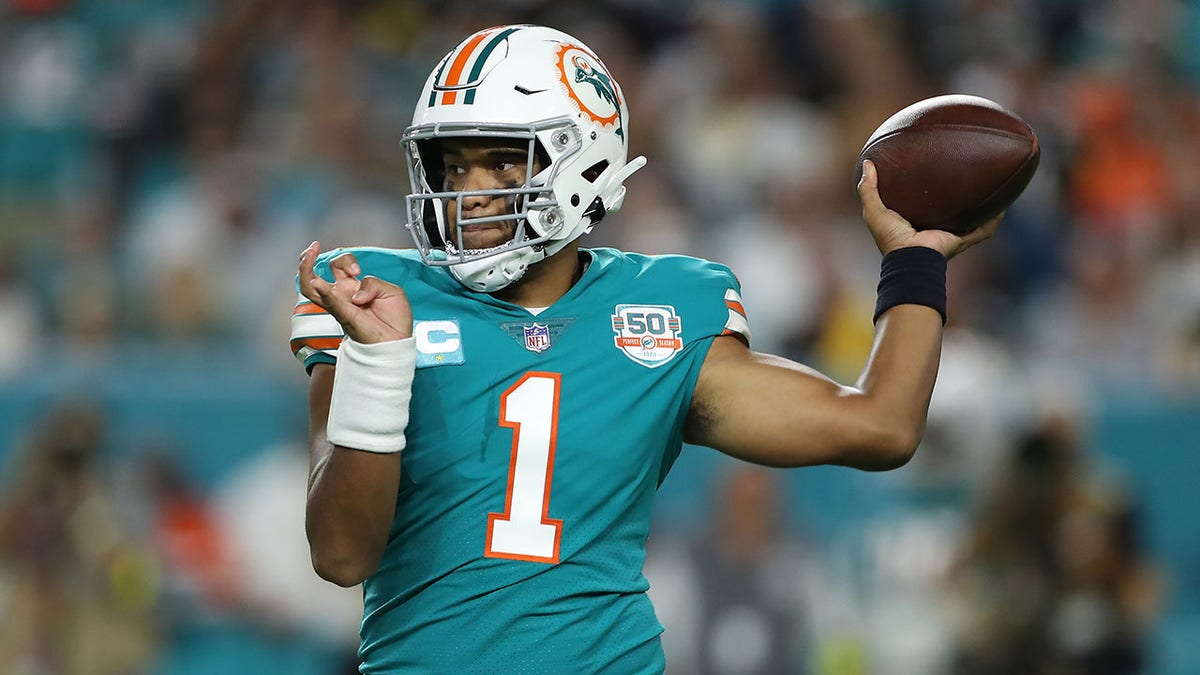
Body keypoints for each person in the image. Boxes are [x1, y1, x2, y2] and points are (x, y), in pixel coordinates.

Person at [290, 24, 1000, 673]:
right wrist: (379, 361)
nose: (468, 191)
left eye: (501, 163)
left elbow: (879, 425)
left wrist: (915, 261)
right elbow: (342, 553)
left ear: (583, 160)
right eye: (453, 164)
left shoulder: (659, 310)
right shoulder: (379, 300)